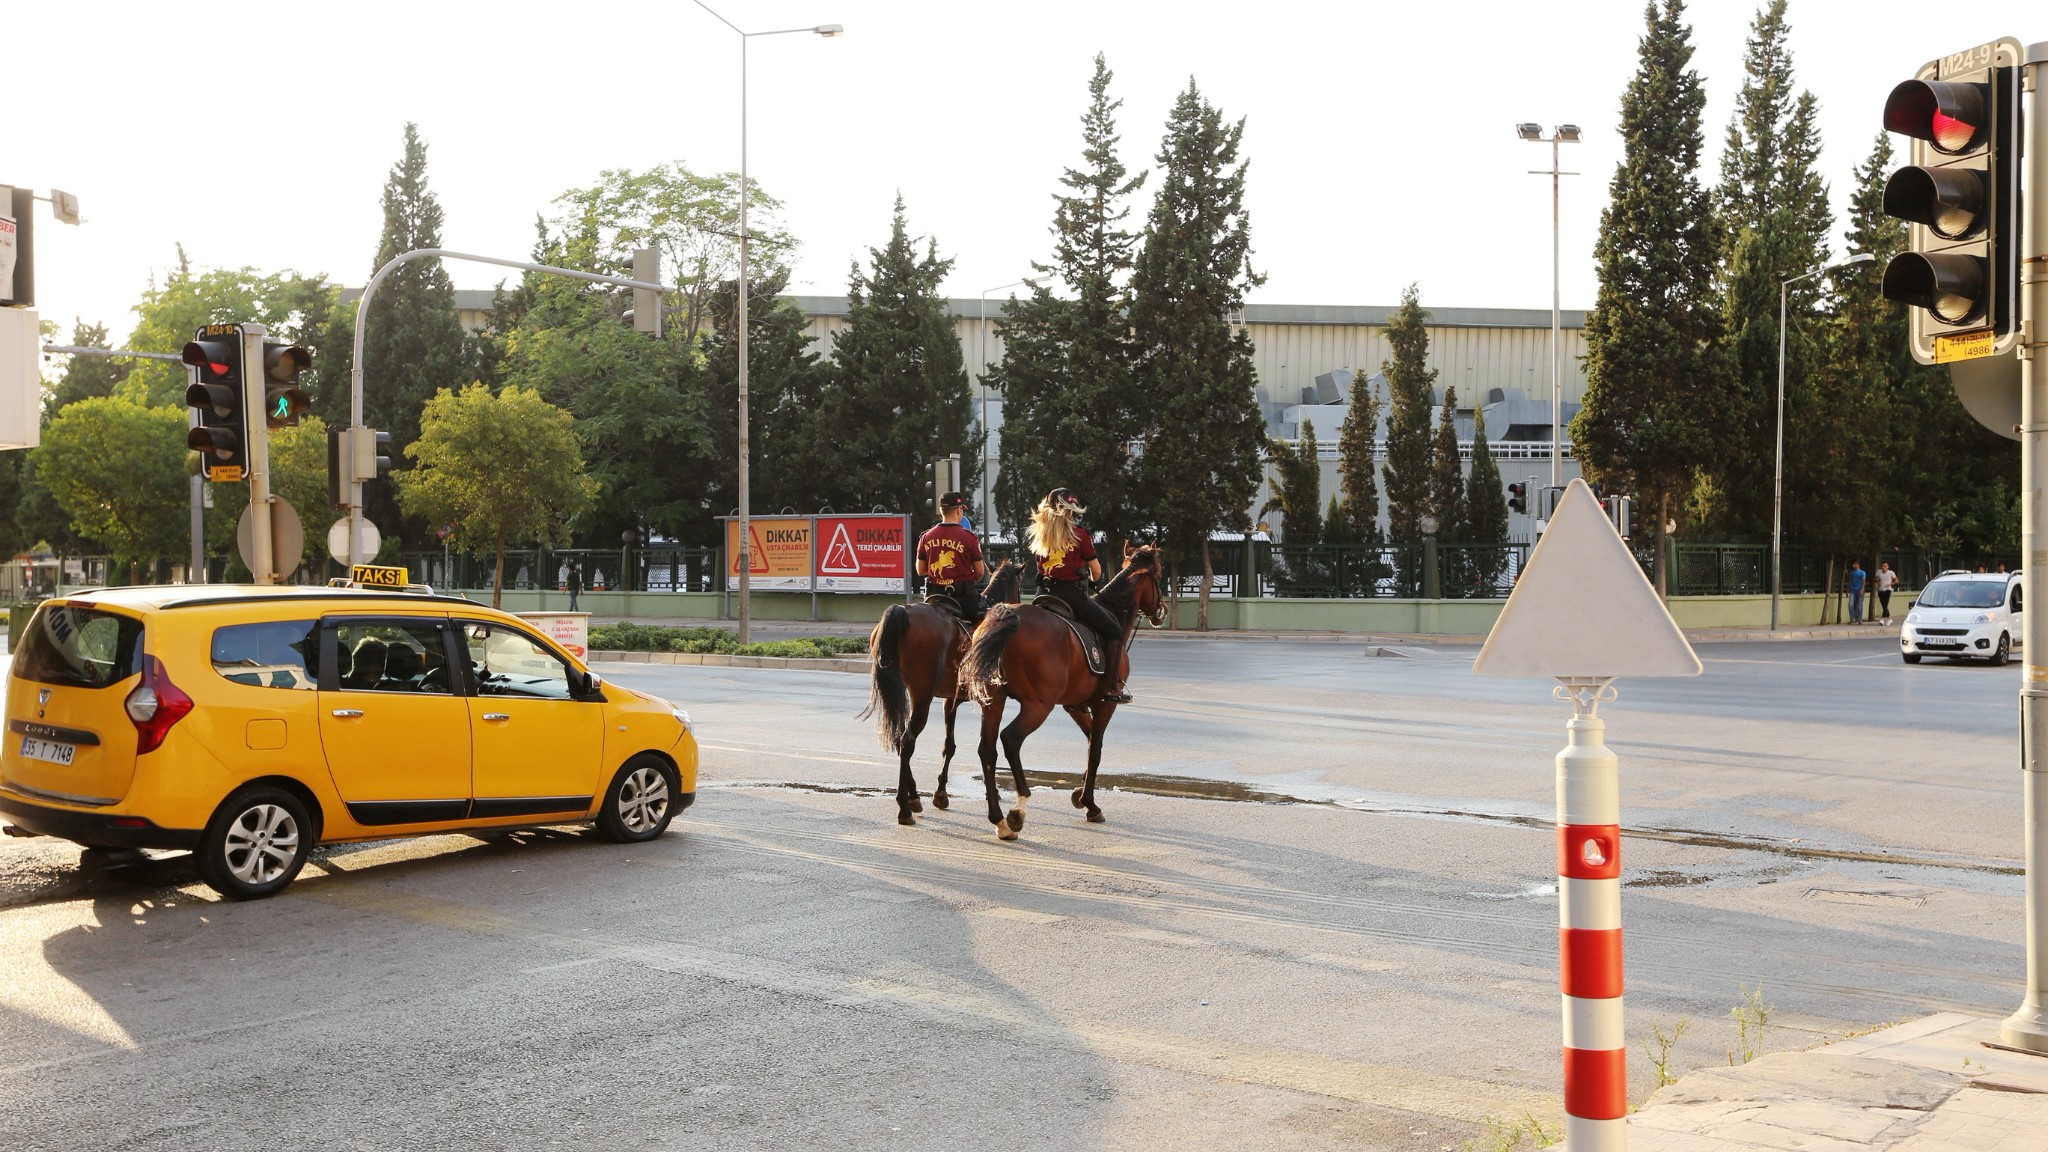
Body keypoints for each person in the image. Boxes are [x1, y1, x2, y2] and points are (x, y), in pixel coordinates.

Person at [1028, 488, 1130, 704]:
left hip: (1042, 595)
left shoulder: (1040, 534)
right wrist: (1093, 582)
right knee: (1114, 632)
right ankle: (1111, 687)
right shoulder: (1080, 534)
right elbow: (1097, 570)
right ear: (1070, 511)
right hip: (1070, 595)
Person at [916, 492, 987, 623]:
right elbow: (979, 572)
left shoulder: (926, 537)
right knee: (985, 628)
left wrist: (941, 578)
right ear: (959, 510)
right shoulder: (969, 537)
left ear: (941, 511)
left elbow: (920, 570)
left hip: (933, 597)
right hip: (963, 598)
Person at [1847, 560, 1866, 625]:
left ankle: (1860, 620)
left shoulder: (1862, 572)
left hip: (1860, 590)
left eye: (1854, 564)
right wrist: (1847, 590)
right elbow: (1849, 582)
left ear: (1858, 565)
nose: (1853, 566)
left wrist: (1862, 590)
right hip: (1853, 590)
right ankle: (1852, 618)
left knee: (1860, 606)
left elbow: (1864, 582)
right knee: (1850, 604)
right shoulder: (1851, 573)